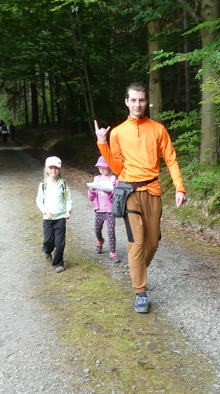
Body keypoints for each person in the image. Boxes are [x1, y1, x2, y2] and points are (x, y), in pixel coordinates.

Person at [94, 81, 186, 314]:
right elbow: (116, 167)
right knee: (136, 242)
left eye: (141, 100)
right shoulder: (117, 132)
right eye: (133, 100)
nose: (137, 104)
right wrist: (102, 143)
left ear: (146, 102)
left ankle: (137, 271)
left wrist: (179, 188)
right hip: (129, 193)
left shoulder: (158, 129)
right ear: (126, 102)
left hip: (152, 191)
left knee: (152, 243)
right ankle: (140, 293)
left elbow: (171, 159)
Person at [36, 156, 72, 273]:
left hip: (60, 217)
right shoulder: (43, 184)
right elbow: (39, 201)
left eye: (56, 168)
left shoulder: (63, 184)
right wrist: (45, 211)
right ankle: (47, 250)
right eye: (51, 168)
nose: (53, 170)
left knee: (60, 243)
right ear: (47, 169)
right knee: (48, 241)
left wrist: (68, 210)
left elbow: (68, 199)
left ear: (59, 169)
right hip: (48, 218)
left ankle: (58, 264)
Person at [87, 156, 120, 263]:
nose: (102, 170)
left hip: (110, 211)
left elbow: (117, 197)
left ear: (110, 167)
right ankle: (100, 241)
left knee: (111, 231)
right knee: (97, 229)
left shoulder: (114, 180)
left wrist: (110, 193)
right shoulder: (97, 179)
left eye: (104, 168)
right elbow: (91, 198)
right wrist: (91, 191)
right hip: (99, 210)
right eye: (100, 168)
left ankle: (113, 252)